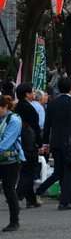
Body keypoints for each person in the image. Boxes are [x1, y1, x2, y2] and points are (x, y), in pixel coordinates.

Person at [37, 76, 71, 210]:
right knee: (68, 171)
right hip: (70, 142)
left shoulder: (52, 103)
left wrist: (45, 143)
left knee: (60, 170)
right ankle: (65, 201)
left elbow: (47, 125)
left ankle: (63, 196)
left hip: (55, 142)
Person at [14, 83, 43, 208]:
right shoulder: (29, 108)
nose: (33, 94)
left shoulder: (17, 107)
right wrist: (40, 143)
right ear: (27, 94)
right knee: (29, 171)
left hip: (21, 142)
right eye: (32, 92)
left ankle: (31, 199)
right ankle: (17, 195)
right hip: (30, 143)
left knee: (26, 170)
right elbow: (36, 128)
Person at [0, 94, 24, 231]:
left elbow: (6, 143)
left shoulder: (14, 120)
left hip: (11, 160)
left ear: (4, 107)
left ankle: (14, 221)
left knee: (9, 189)